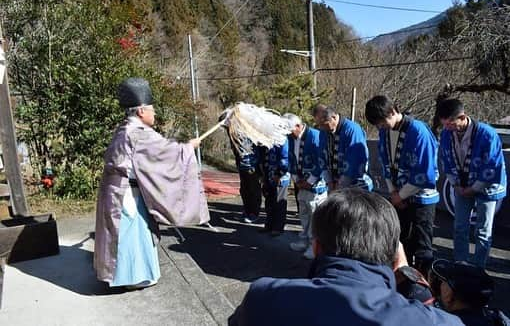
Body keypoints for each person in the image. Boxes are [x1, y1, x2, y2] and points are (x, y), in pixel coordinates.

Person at [228, 189, 463, 326]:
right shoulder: (435, 321)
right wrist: (415, 283)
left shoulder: (263, 298)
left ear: (317, 248)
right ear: (395, 258)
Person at [94, 77, 209, 289]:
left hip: (120, 190)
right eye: (152, 110)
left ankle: (130, 276)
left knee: (130, 234)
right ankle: (132, 278)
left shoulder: (124, 129)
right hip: (126, 194)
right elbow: (167, 153)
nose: (154, 114)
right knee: (130, 235)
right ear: (140, 111)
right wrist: (189, 147)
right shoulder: (137, 133)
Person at [365, 95, 440, 275]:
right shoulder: (384, 132)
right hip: (398, 193)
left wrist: (401, 195)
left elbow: (425, 170)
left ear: (392, 112)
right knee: (401, 240)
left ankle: (424, 287)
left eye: (381, 122)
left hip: (421, 197)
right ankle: (403, 280)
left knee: (422, 245)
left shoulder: (418, 130)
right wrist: (393, 192)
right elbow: (385, 162)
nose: (380, 127)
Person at [436, 99, 507, 269]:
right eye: (444, 124)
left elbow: (492, 165)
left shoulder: (487, 134)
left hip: (487, 185)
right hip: (461, 184)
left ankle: (479, 267)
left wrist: (474, 188)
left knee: (483, 229)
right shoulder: (446, 134)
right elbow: (446, 161)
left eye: (451, 124)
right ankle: (460, 262)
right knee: (460, 226)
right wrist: (456, 185)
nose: (447, 128)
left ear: (462, 117)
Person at [283, 113, 328, 260]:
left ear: (298, 125)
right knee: (303, 211)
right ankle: (303, 239)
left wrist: (310, 181)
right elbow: (290, 158)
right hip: (300, 180)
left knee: (315, 213)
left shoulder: (315, 136)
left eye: (289, 129)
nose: (288, 133)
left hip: (315, 182)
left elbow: (322, 160)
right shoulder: (290, 138)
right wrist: (296, 179)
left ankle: (314, 245)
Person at [430, 259, 509, 326]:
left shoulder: (440, 322)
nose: (440, 284)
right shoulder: (498, 319)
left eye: (443, 281)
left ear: (449, 294)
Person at [320, 107, 373, 191]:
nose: (322, 127)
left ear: (334, 117)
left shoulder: (352, 130)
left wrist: (340, 185)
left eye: (324, 124)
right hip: (334, 184)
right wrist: (329, 181)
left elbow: (355, 161)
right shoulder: (324, 132)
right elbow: (322, 156)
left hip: (356, 185)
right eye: (319, 125)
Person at [260, 136, 290, 236]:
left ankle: (278, 227)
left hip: (280, 175)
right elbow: (264, 156)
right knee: (269, 200)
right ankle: (269, 224)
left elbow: (285, 157)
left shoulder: (282, 138)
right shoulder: (265, 137)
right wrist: (263, 174)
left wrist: (279, 174)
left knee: (279, 202)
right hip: (268, 172)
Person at [232, 142, 262, 224]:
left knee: (254, 191)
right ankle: (247, 211)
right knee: (244, 191)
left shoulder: (253, 136)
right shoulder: (238, 137)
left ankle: (254, 213)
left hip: (252, 167)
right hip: (243, 167)